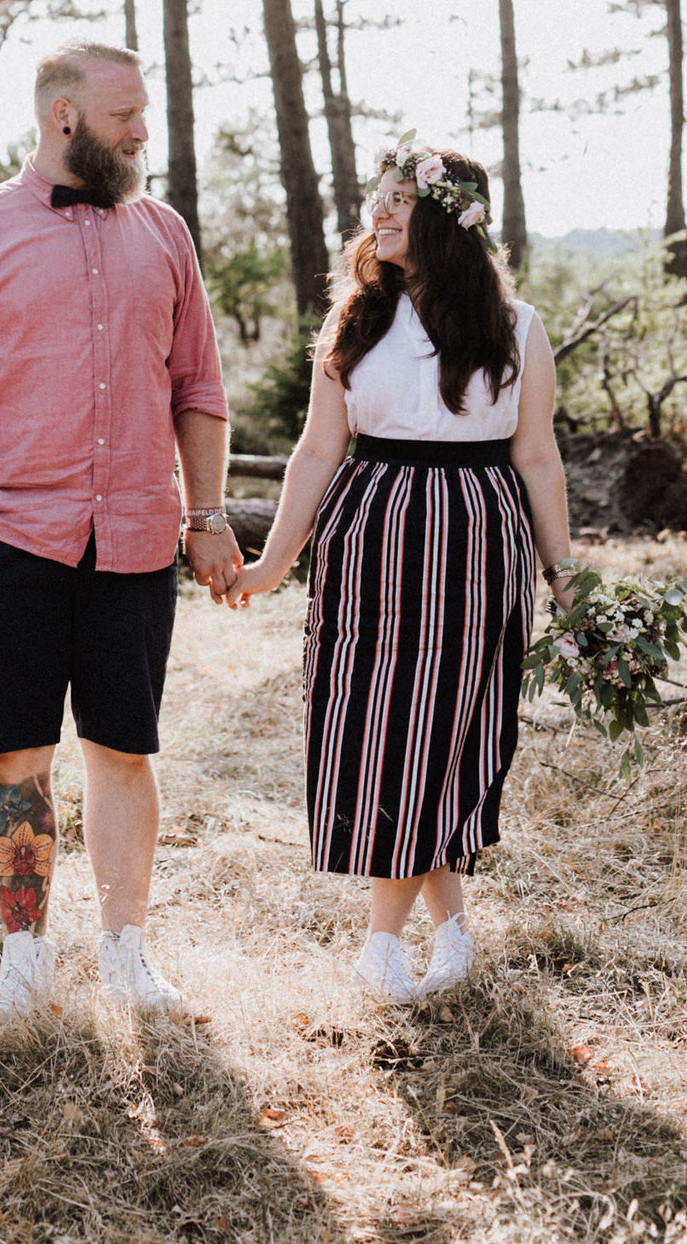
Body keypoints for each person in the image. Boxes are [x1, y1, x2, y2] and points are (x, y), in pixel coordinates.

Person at [0, 39, 244, 1032]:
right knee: (15, 758)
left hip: (137, 539)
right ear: (63, 117)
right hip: (8, 543)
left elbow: (199, 385)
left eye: (143, 113)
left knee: (123, 750)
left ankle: (127, 955)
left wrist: (207, 510)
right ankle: (23, 962)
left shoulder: (165, 231)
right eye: (125, 114)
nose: (143, 131)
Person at [239, 141, 576, 1005]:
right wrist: (275, 559)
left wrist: (565, 579)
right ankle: (452, 932)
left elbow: (537, 458)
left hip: (474, 531)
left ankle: (381, 943)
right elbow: (317, 449)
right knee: (374, 724)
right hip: (369, 535)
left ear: (449, 219)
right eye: (377, 201)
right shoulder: (354, 316)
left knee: (439, 730)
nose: (379, 215)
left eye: (399, 201)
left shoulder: (517, 326)